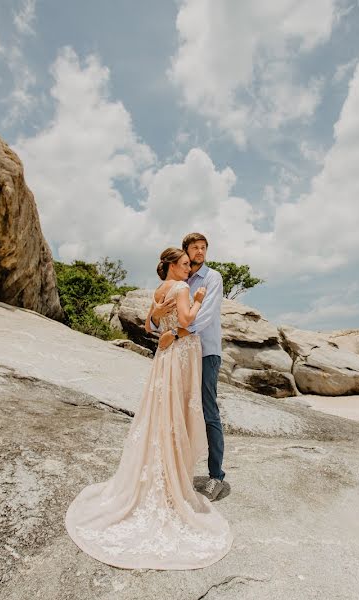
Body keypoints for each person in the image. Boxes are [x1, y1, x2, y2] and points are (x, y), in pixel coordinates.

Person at [64, 247, 232, 570]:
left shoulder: (160, 289)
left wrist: (162, 325)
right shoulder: (184, 287)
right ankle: (174, 477)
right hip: (181, 356)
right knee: (178, 413)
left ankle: (164, 469)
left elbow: (148, 324)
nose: (188, 267)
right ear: (172, 265)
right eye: (184, 263)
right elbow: (186, 319)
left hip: (165, 359)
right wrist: (196, 300)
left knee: (161, 415)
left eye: (191, 262)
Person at [146, 233, 226, 501]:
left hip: (205, 352)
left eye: (204, 247)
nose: (200, 252)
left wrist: (177, 334)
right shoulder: (179, 279)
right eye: (195, 248)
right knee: (176, 411)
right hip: (181, 354)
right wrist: (157, 319)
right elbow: (157, 319)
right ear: (185, 252)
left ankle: (216, 476)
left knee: (207, 410)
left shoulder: (212, 278)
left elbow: (204, 316)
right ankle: (178, 471)